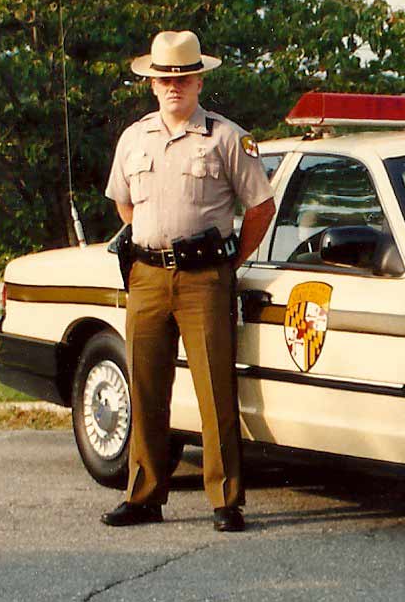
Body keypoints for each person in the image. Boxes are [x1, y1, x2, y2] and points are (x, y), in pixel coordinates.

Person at [101, 31, 276, 532]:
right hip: (147, 276)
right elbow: (124, 203)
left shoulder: (226, 138)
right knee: (146, 386)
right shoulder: (134, 138)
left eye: (183, 78)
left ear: (199, 81)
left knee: (214, 391)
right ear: (151, 84)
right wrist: (150, 241)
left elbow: (260, 206)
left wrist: (231, 262)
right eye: (164, 79)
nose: (173, 87)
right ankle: (145, 494)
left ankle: (226, 500)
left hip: (205, 279)